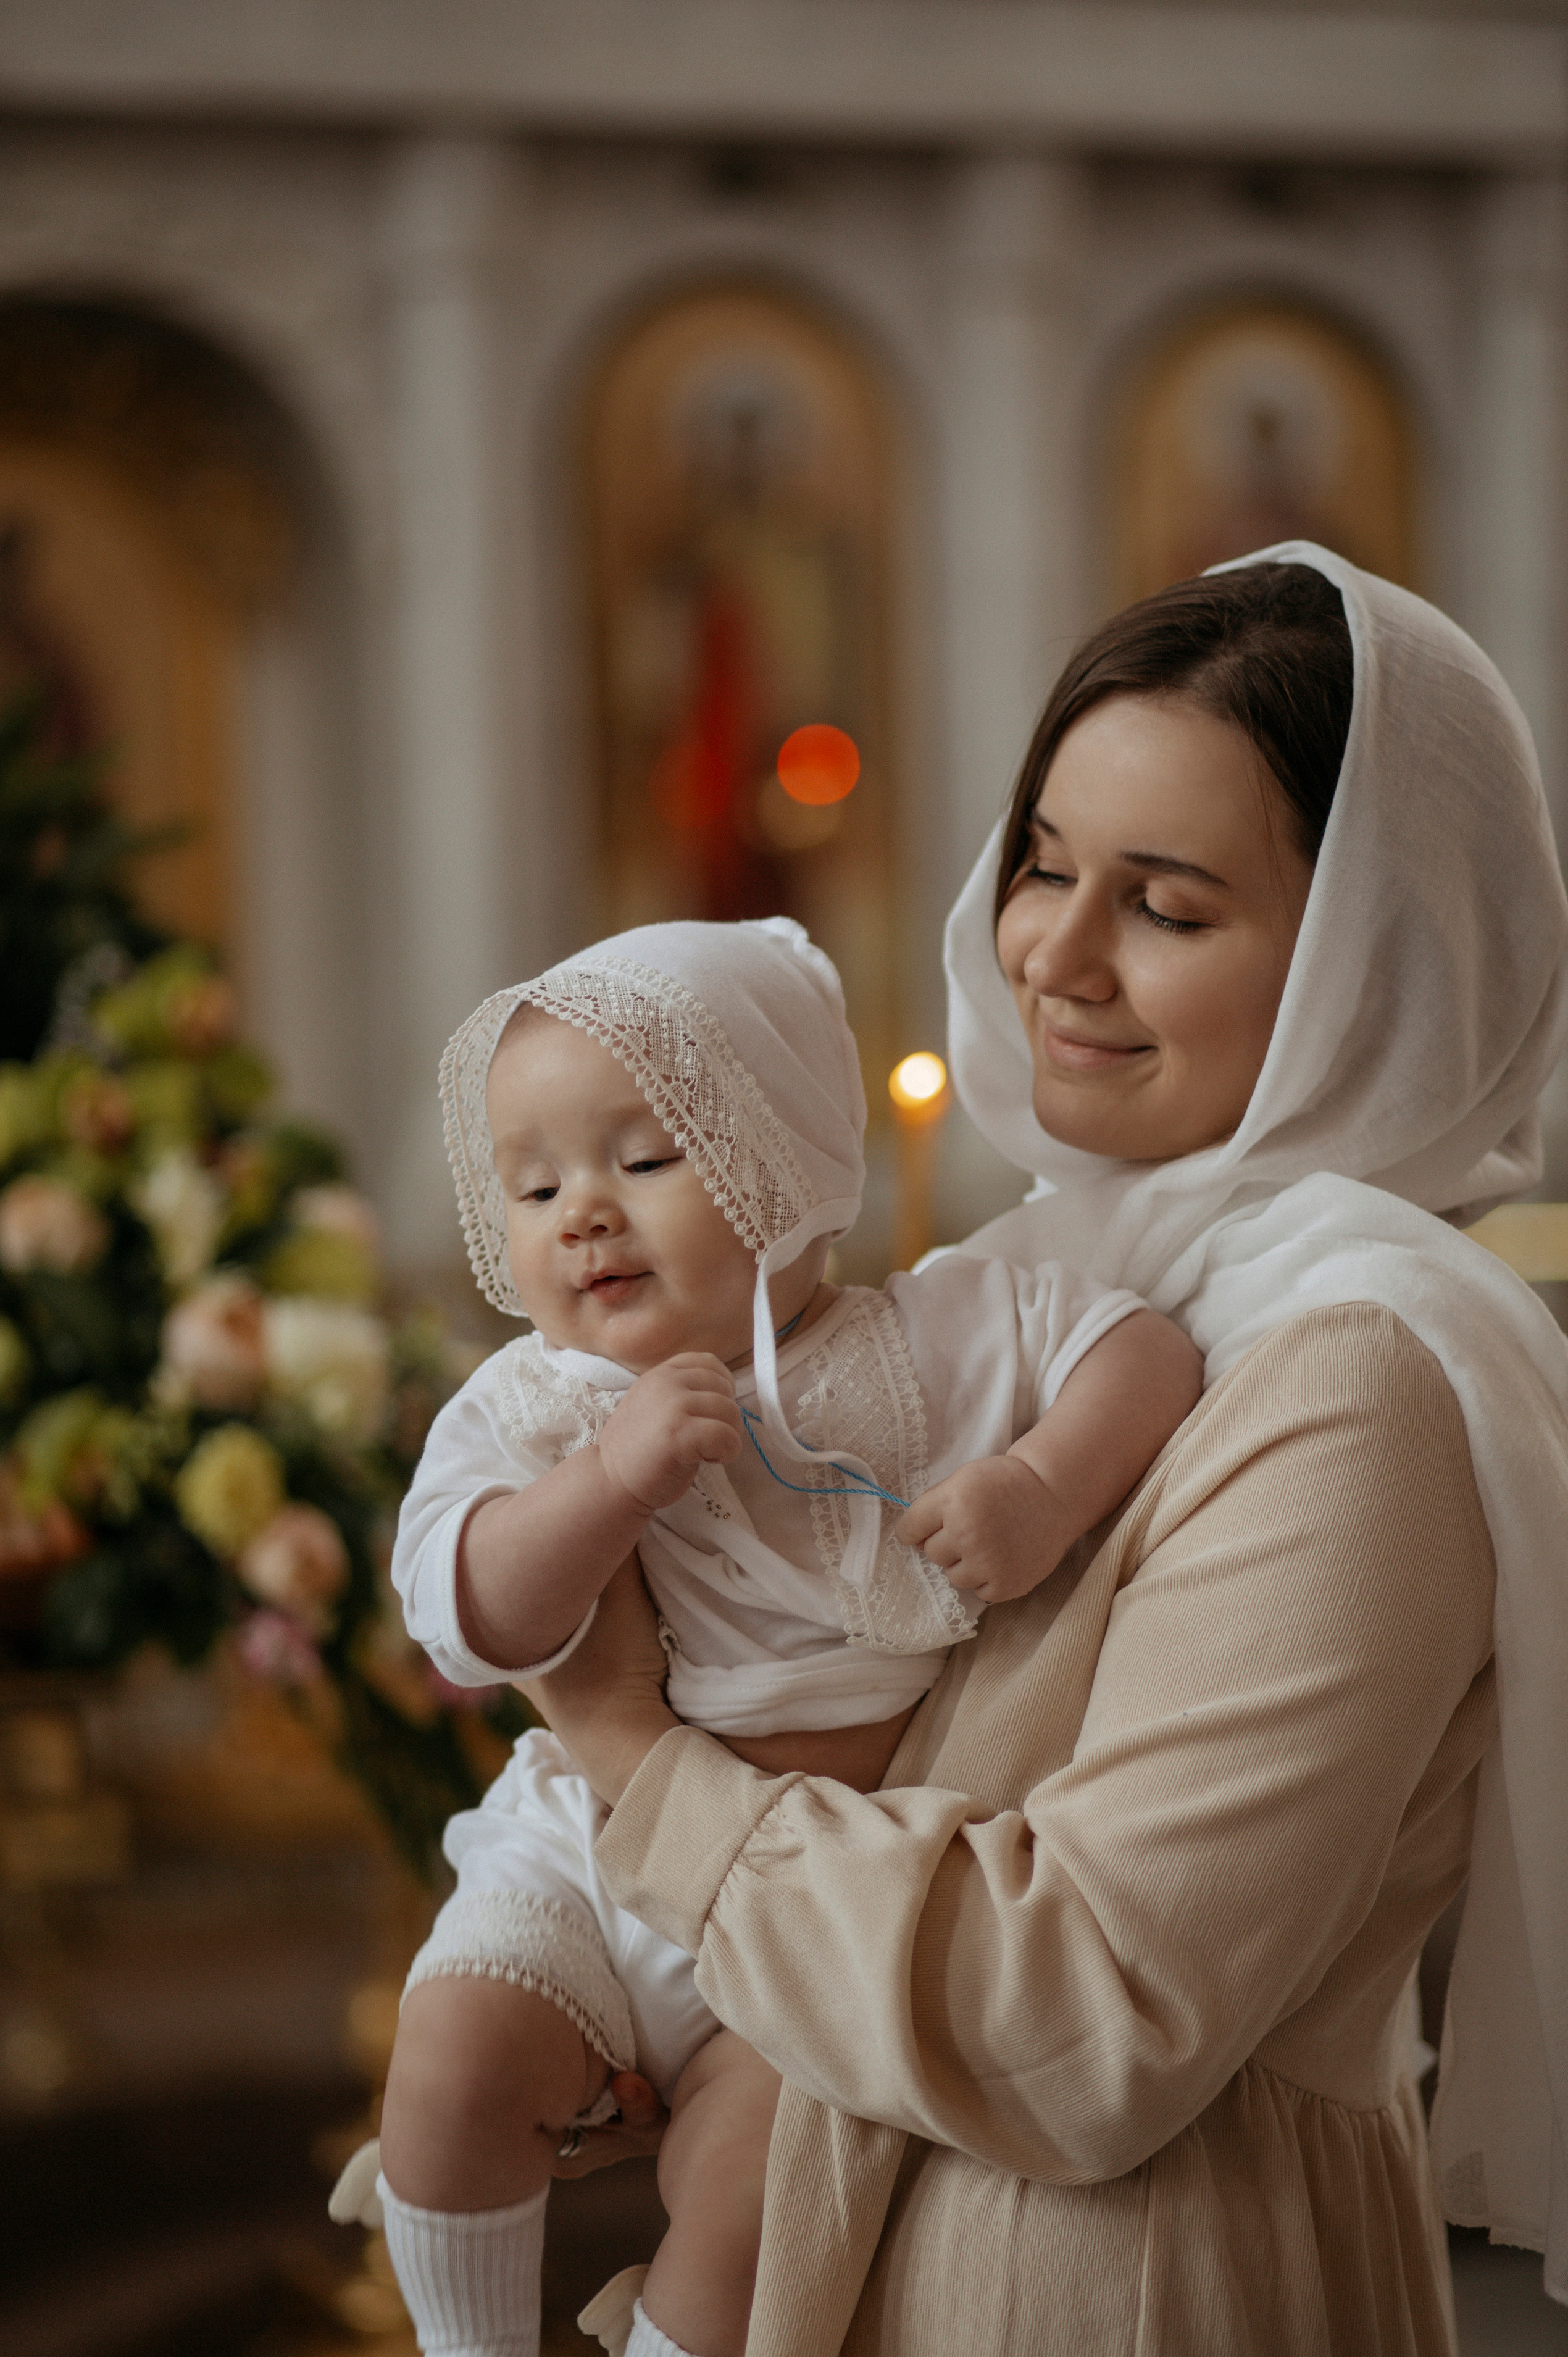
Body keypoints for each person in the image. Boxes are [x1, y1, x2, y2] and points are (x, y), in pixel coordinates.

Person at [517, 545, 1568, 2355]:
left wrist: (632, 1758)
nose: (1054, 957)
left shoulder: (1362, 1381)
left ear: (1367, 957)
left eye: (1167, 906)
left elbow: (1084, 2013)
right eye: (1046, 864)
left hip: (1125, 2283)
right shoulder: (1043, 1277)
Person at [352, 917, 1203, 2357]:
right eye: (537, 1182)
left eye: (642, 1158)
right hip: (595, 1852)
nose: (583, 1214)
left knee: (756, 2195)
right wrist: (602, 1487)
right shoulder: (535, 1406)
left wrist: (1041, 1488)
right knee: (446, 2067)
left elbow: (1141, 1350)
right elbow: (460, 1609)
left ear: (784, 1158)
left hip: (828, 1896)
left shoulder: (933, 1335)